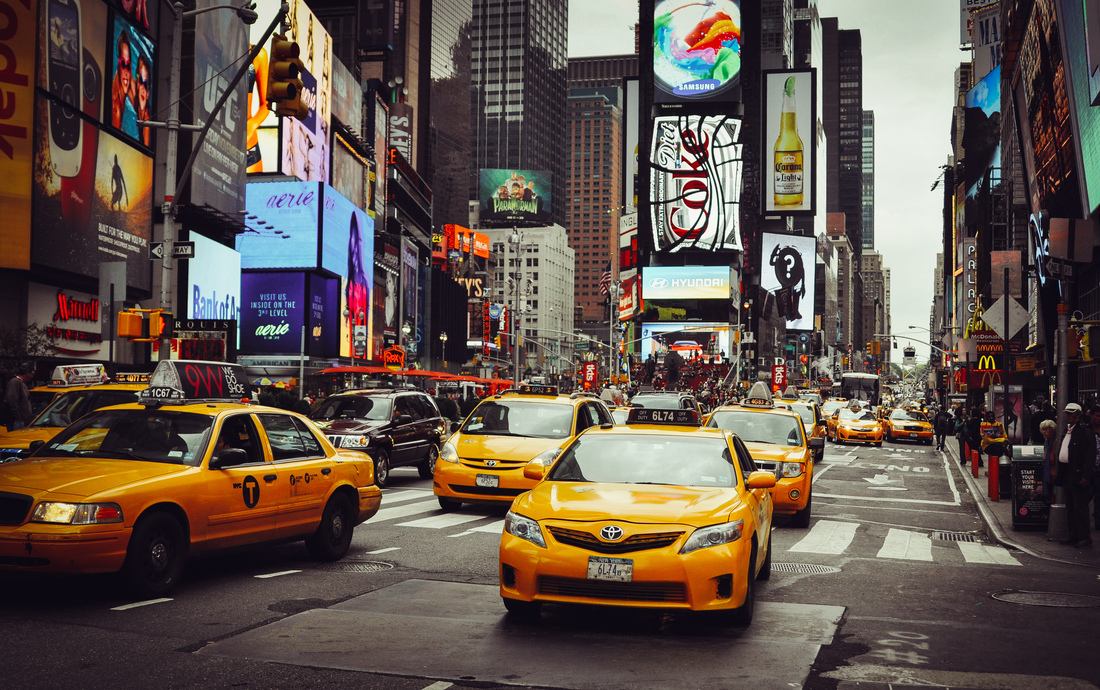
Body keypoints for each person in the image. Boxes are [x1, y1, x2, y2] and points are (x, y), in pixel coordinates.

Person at [1056, 402, 1095, 547]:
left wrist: (1085, 475)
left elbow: (1089, 456)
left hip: (1078, 474)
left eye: (1071, 414)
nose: (1069, 416)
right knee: (1071, 506)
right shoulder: (1068, 430)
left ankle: (1084, 537)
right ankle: (1073, 535)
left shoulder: (1084, 432)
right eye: (1067, 413)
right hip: (1067, 472)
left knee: (1080, 507)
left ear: (1078, 415)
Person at [3, 366, 33, 430]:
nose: (32, 376)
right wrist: (18, 417)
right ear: (26, 374)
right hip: (17, 420)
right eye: (31, 373)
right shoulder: (15, 382)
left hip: (21, 419)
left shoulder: (20, 382)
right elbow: (12, 400)